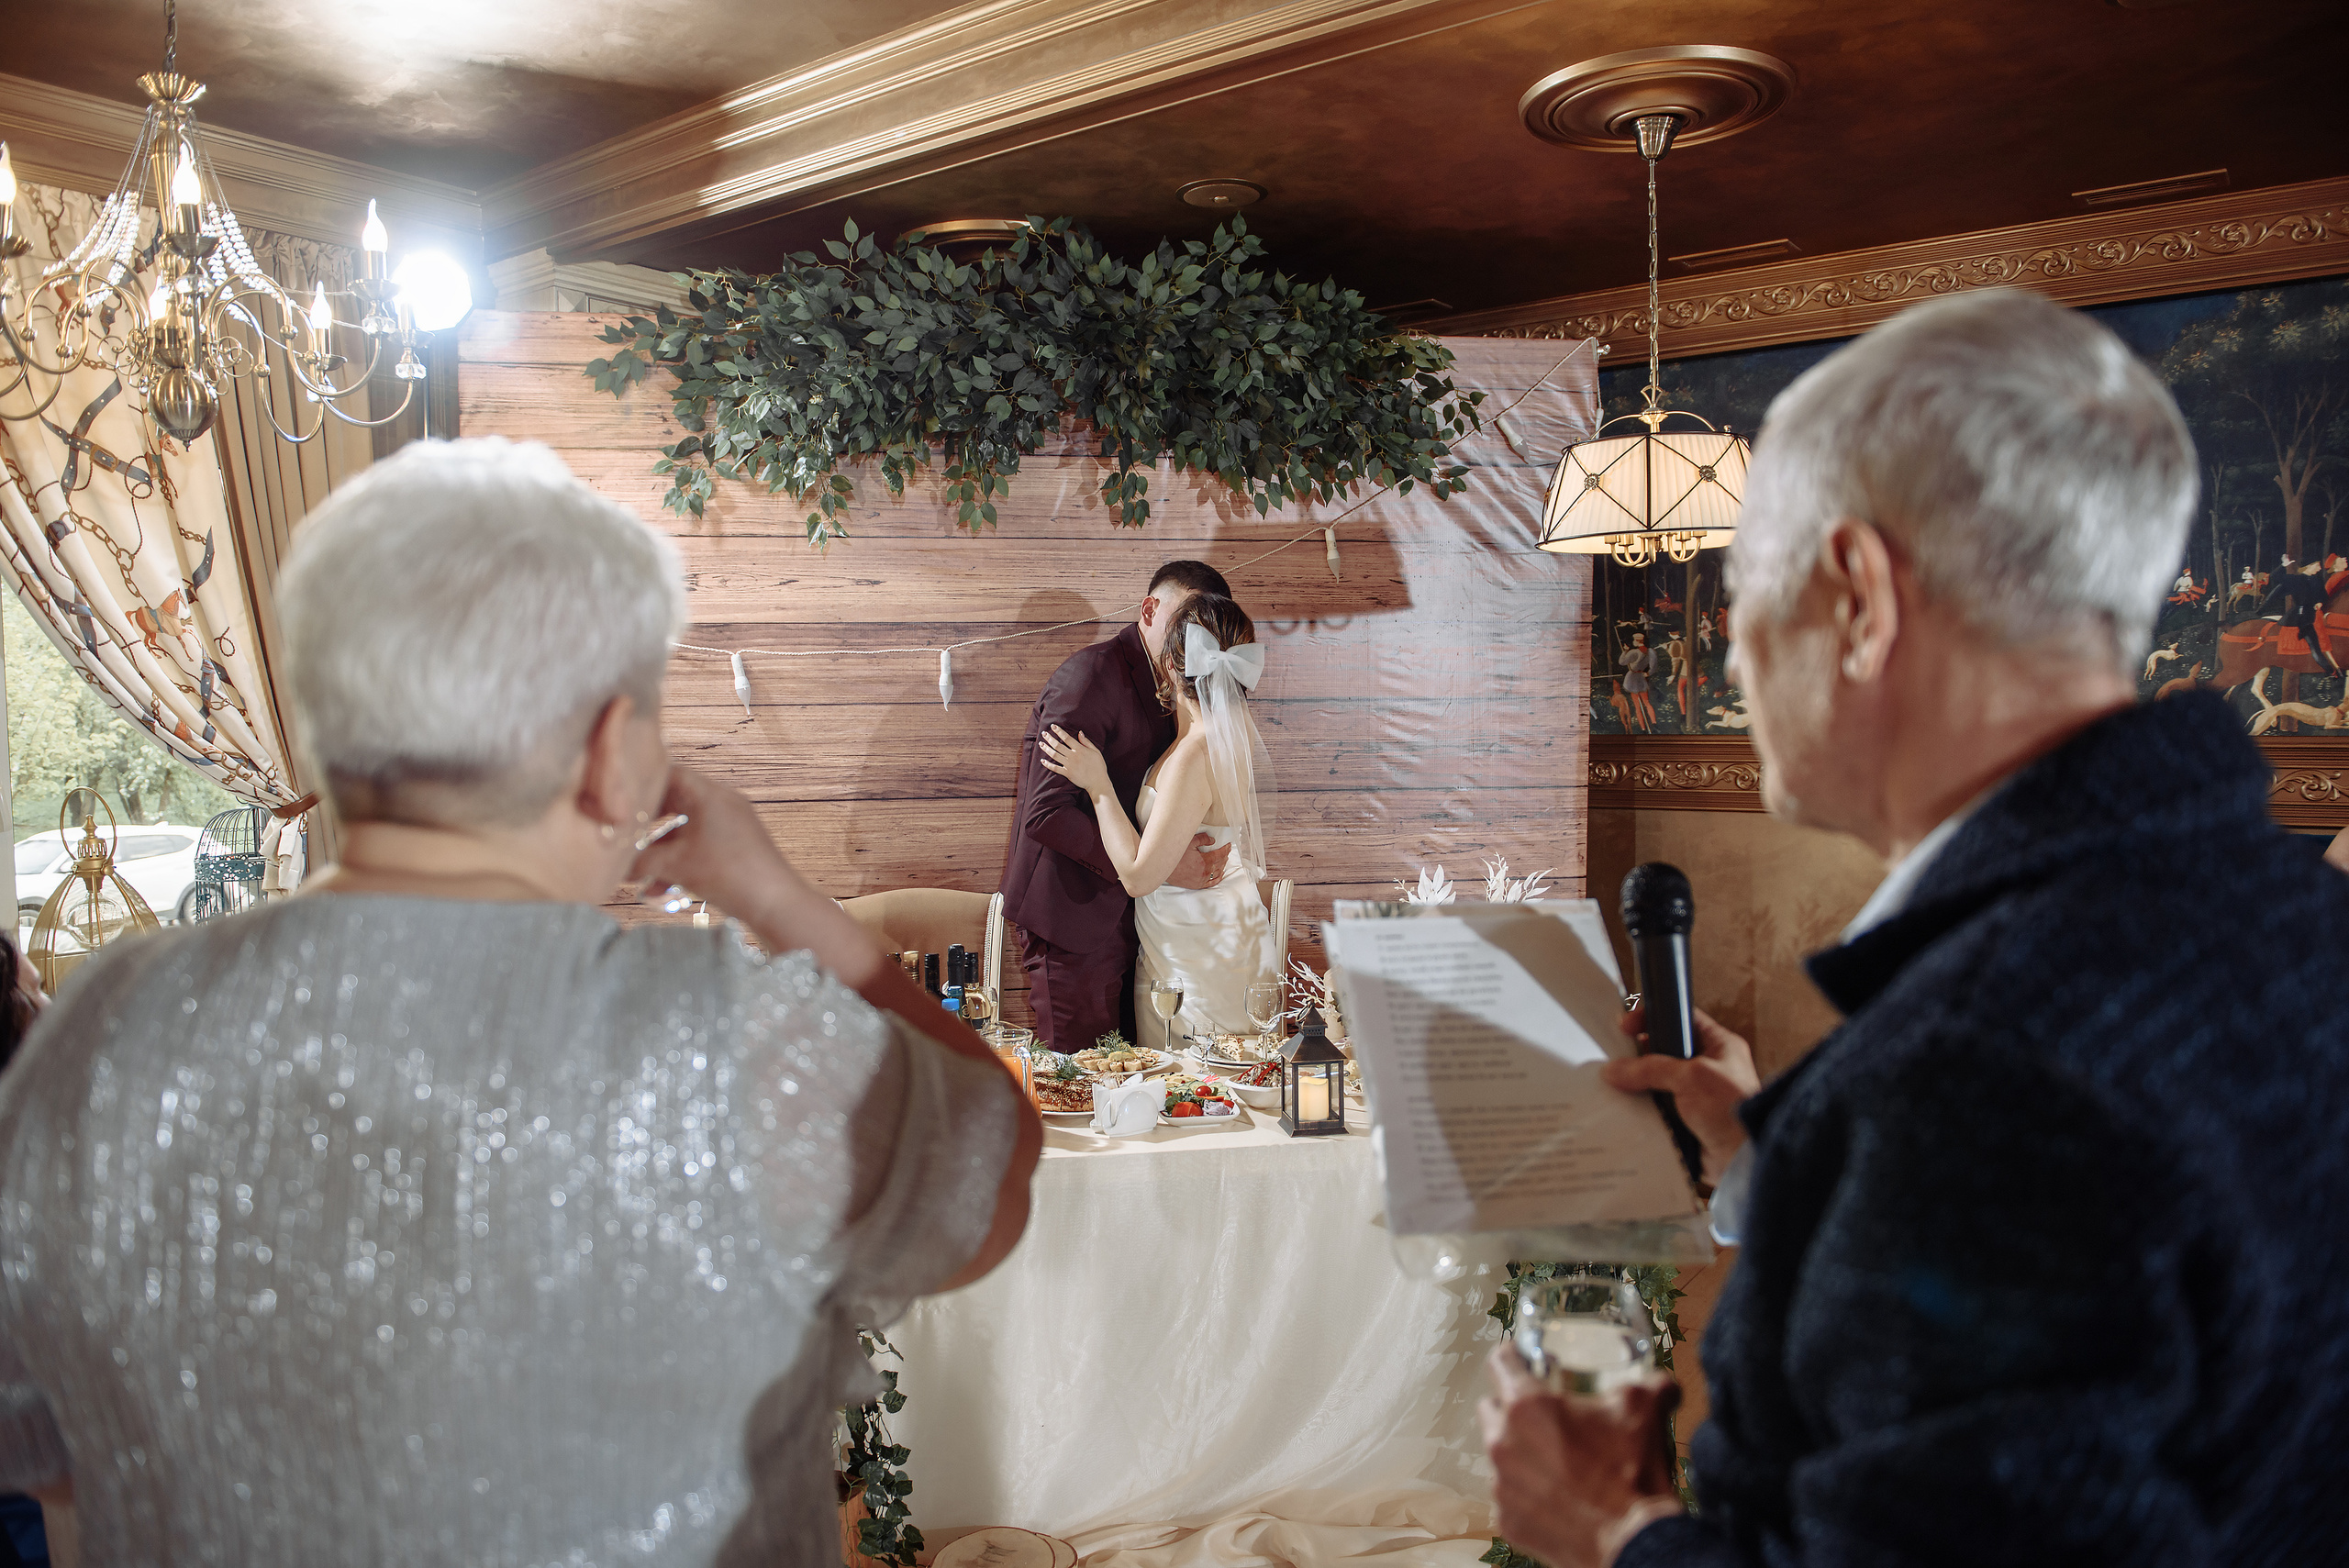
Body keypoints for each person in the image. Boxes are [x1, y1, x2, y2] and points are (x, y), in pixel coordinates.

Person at [0, 438, 1042, 1567]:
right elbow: (992, 1178)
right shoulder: (727, 1035)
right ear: (610, 753)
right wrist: (770, 887)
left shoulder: (100, 1024)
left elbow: (46, 1444)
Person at [1480, 289, 2349, 1566]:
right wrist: (1779, 1159)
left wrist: (1618, 1532)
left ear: (1859, 599)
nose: (1728, 657)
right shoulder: (2305, 921)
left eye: (1739, 591)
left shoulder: (1976, 1077)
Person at [1000, 562, 1236, 1051]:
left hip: (1145, 927)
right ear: (1149, 609)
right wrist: (1167, 867)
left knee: (1138, 1085)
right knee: (1083, 1084)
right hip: (1074, 920)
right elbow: (1047, 813)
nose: (1195, 641)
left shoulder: (1178, 689)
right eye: (1186, 622)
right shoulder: (1088, 677)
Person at [1035, 593, 1276, 1040]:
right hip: (1216, 933)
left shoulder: (1193, 754)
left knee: (1196, 1094)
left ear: (1170, 666)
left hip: (1193, 955)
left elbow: (1138, 877)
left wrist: (1098, 783)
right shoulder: (1228, 738)